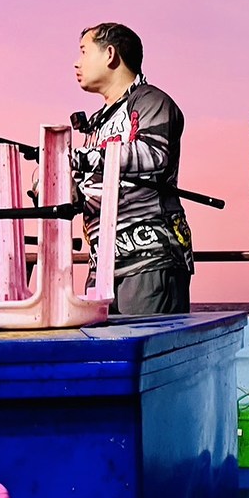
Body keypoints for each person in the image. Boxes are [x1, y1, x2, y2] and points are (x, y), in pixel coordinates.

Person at [72, 22, 193, 315]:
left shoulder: (151, 100)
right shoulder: (98, 122)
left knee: (147, 357)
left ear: (110, 54)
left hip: (150, 263)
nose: (77, 63)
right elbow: (87, 187)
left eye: (84, 52)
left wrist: (80, 158)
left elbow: (153, 154)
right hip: (102, 269)